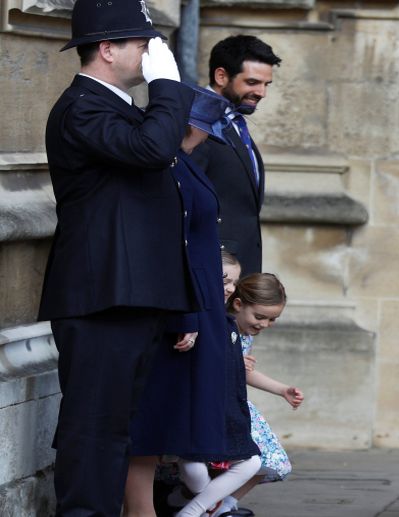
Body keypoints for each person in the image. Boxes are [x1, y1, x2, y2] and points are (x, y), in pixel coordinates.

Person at [39, 1, 196, 514]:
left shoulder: (117, 107)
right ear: (107, 49)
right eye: (142, 44)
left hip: (129, 295)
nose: (152, 54)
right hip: (101, 296)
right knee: (93, 428)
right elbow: (152, 149)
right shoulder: (83, 106)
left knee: (114, 429)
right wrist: (167, 88)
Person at [121, 85, 240, 517]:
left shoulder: (180, 165)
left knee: (162, 427)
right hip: (180, 313)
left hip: (195, 308)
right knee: (151, 427)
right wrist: (184, 315)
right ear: (192, 126)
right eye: (204, 130)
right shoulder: (167, 168)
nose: (206, 138)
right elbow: (175, 246)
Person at [192, 35, 282, 276]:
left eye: (266, 84)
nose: (261, 92)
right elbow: (185, 202)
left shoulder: (236, 122)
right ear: (221, 76)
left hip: (240, 271)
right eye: (252, 82)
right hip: (213, 270)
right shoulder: (196, 122)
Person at [223, 272, 304, 513]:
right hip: (218, 406)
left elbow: (245, 373)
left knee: (271, 461)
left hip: (237, 405)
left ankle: (225, 503)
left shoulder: (246, 334)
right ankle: (203, 503)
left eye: (272, 320)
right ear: (238, 304)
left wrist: (282, 390)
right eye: (260, 317)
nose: (264, 325)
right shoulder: (222, 328)